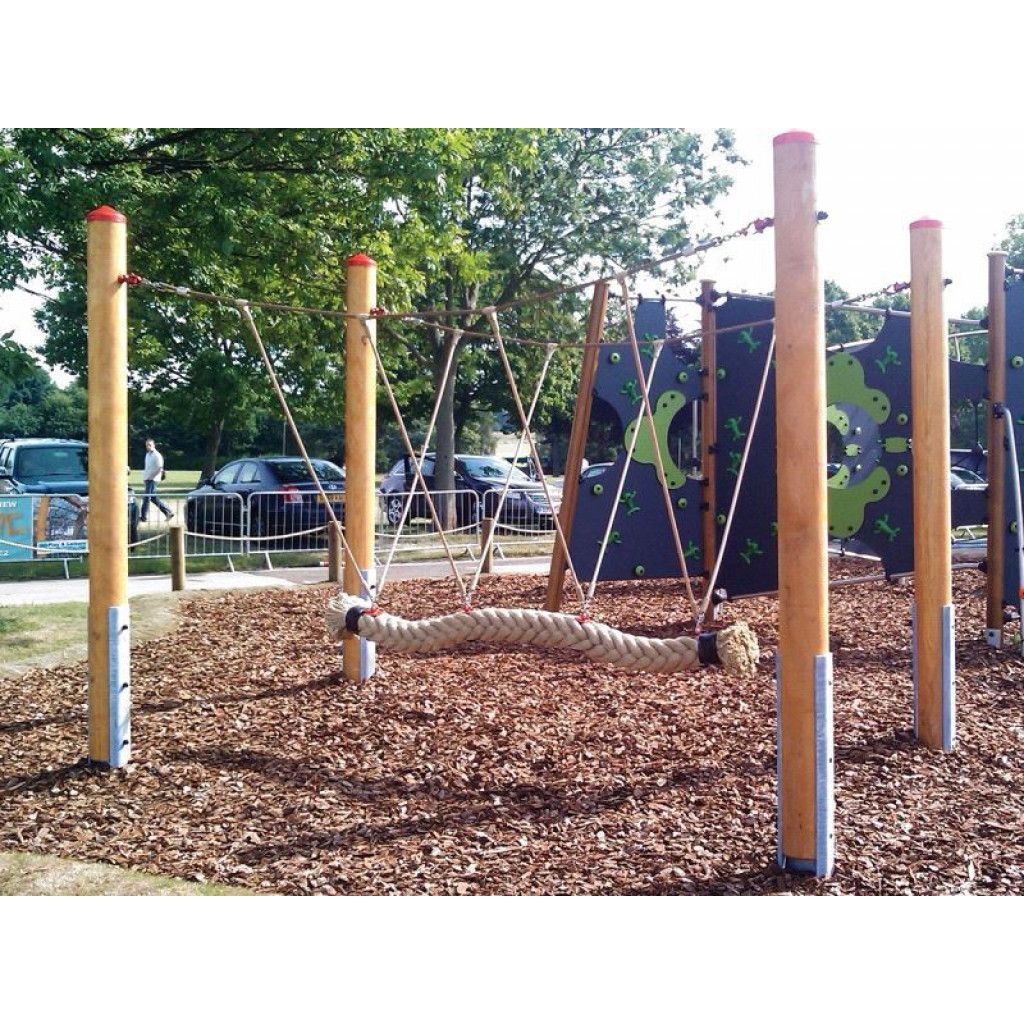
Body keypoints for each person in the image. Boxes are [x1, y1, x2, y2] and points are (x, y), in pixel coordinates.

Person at [140, 438, 173, 522]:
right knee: (153, 498)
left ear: (154, 445)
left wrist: (152, 477)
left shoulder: (157, 455)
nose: (148, 447)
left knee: (147, 497)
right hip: (147, 479)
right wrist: (145, 477)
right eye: (147, 445)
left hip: (153, 479)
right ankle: (168, 512)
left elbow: (160, 468)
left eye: (150, 445)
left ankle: (143, 516)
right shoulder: (147, 455)